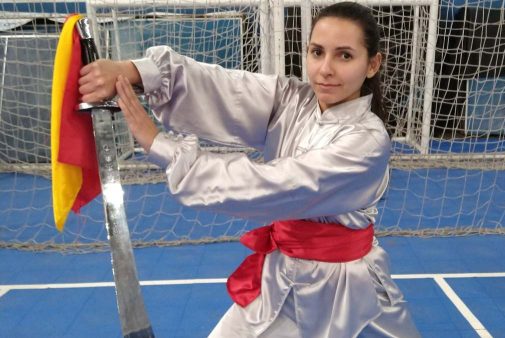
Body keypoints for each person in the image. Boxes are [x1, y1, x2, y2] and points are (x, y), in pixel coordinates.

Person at [79, 2, 421, 337]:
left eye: (344, 55)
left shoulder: (368, 141)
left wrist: (163, 147)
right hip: (284, 275)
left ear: (372, 64)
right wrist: (135, 72)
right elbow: (227, 88)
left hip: (347, 294)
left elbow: (277, 186)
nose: (325, 69)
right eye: (317, 52)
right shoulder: (293, 100)